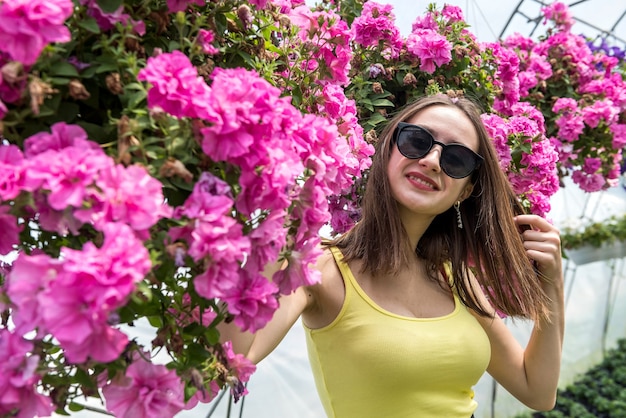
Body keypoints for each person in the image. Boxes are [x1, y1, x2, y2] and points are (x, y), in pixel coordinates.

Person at [220, 94, 564, 418]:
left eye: (456, 159)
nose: (431, 161)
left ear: (466, 190)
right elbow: (233, 359)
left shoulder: (453, 276)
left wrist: (552, 281)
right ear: (387, 150)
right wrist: (269, 220)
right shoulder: (318, 267)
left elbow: (537, 391)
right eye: (416, 141)